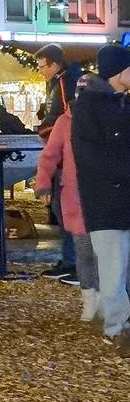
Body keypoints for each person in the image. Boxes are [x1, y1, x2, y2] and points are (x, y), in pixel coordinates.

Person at [71, 44, 130, 357]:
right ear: (118, 72)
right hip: (105, 200)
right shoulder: (90, 107)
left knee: (120, 266)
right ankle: (116, 328)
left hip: (121, 198)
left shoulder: (122, 103)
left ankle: (108, 318)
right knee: (113, 265)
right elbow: (91, 158)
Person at [35, 107, 99, 322]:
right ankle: (91, 300)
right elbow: (49, 156)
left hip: (106, 196)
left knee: (109, 253)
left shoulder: (114, 113)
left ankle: (107, 303)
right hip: (77, 196)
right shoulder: (65, 121)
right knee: (86, 252)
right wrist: (43, 184)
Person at [35, 44, 81, 281]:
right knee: (62, 209)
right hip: (66, 155)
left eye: (42, 66)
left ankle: (75, 264)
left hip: (67, 158)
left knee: (66, 210)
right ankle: (71, 261)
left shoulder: (63, 83)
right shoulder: (61, 81)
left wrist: (45, 130)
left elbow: (63, 118)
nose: (40, 70)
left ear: (54, 64)